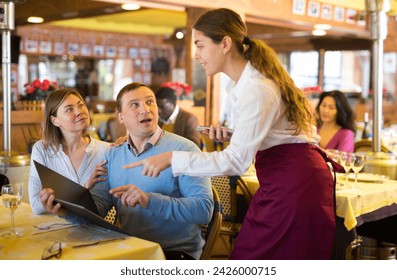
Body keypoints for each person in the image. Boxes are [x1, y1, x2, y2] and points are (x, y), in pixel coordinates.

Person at [123, 8, 343, 260]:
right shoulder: (244, 85)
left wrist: (174, 158)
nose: (196, 55)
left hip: (295, 184)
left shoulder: (257, 88)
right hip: (283, 180)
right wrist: (235, 135)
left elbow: (237, 161)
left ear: (225, 44)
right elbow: (276, 134)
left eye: (200, 46)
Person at [39, 82, 213, 259]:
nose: (145, 110)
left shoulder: (185, 149)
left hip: (174, 254)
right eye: (134, 105)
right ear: (120, 116)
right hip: (130, 249)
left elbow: (204, 210)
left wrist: (148, 200)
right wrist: (64, 210)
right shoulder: (113, 155)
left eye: (150, 102)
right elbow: (97, 210)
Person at [28, 88, 110, 215]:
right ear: (55, 120)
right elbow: (35, 205)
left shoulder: (106, 150)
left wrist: (60, 200)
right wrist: (84, 188)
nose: (79, 111)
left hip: (93, 232)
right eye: (69, 109)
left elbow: (102, 210)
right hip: (53, 231)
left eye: (80, 105)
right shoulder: (41, 149)